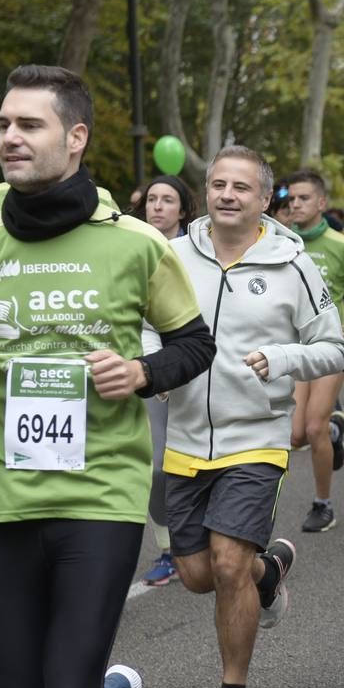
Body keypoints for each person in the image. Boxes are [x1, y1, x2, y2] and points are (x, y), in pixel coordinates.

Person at [0, 64, 215, 688]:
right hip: (3, 497)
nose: (8, 137)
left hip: (101, 492)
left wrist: (139, 371)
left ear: (76, 137)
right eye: (3, 124)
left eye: (28, 124)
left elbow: (194, 346)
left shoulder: (133, 244)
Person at [159, 144, 344, 688]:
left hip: (256, 438)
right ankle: (269, 574)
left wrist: (285, 359)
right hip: (185, 436)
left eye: (241, 187)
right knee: (195, 574)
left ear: (267, 200)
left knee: (227, 562)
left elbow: (333, 347)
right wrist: (152, 369)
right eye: (218, 185)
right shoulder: (172, 256)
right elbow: (142, 321)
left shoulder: (293, 264)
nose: (227, 195)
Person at [130, 173, 198, 586]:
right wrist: (157, 368)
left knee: (200, 460)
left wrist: (178, 364)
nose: (157, 206)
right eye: (152, 199)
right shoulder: (132, 247)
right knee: (155, 467)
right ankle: (169, 550)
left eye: (167, 199)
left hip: (198, 368)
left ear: (183, 209)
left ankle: (221, 538)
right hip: (149, 370)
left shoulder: (198, 252)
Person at [284, 169, 344, 534]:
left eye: (303, 198)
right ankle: (333, 431)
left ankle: (323, 504)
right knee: (295, 434)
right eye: (292, 198)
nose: (295, 204)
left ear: (322, 203)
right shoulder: (284, 244)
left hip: (329, 349)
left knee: (311, 427)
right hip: (295, 349)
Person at [130, 174, 194, 241]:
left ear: (182, 212)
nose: (157, 207)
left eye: (167, 201)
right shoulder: (133, 246)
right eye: (151, 199)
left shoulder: (195, 248)